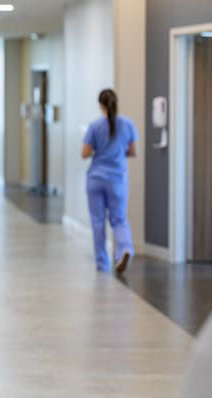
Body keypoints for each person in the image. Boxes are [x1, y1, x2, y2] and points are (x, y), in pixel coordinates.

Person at [81, 89, 138, 274]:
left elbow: (84, 153)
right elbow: (132, 151)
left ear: (101, 105)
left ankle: (102, 263)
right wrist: (117, 152)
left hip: (96, 178)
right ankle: (124, 249)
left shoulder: (94, 126)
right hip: (117, 179)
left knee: (98, 221)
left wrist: (98, 150)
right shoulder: (128, 125)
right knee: (119, 219)